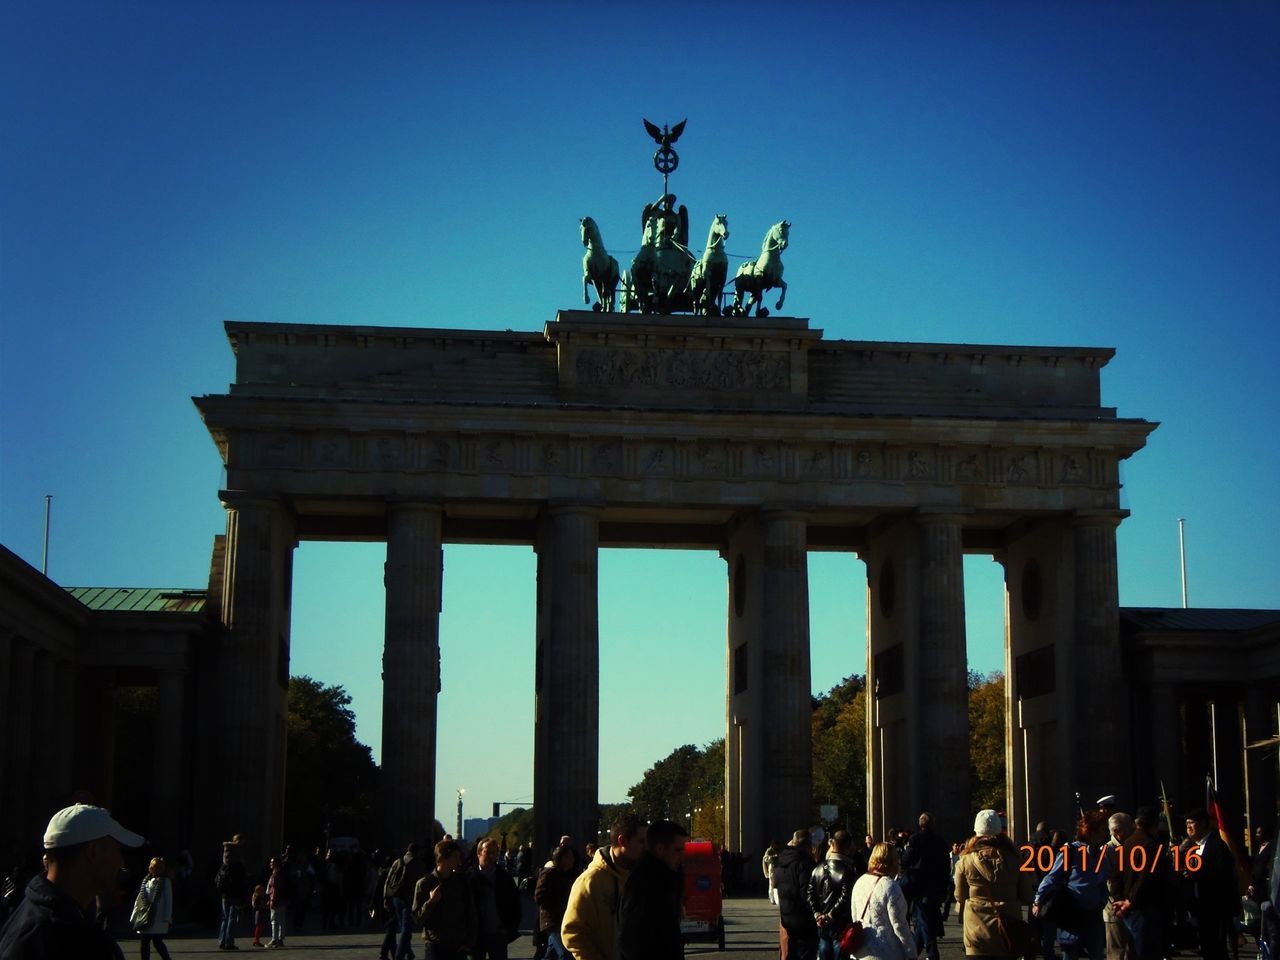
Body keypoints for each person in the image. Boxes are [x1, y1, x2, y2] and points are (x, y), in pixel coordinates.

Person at [0, 802, 145, 960]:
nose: (121, 863)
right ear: (93, 852)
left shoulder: (53, 921)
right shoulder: (49, 935)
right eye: (117, 851)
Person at [561, 812, 646, 960]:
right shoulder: (590, 881)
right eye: (641, 842)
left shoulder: (640, 876)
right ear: (623, 841)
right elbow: (572, 932)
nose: (646, 848)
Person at [956, 809, 1035, 959]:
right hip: (1007, 931)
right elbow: (1027, 896)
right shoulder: (1016, 859)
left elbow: (960, 896)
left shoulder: (965, 861)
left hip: (976, 933)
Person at [1034, 811, 1110, 960]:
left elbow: (1102, 882)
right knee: (1070, 955)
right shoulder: (1071, 851)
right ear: (1092, 831)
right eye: (1103, 830)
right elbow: (1052, 877)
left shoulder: (1101, 854)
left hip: (1093, 915)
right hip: (1072, 914)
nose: (1106, 833)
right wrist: (1038, 899)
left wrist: (1102, 900)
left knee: (1097, 955)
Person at [617, 820, 687, 960]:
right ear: (660, 849)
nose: (683, 855)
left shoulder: (669, 876)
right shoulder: (645, 882)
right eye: (678, 850)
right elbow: (630, 939)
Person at [1181, 808, 1239, 960]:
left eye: (1192, 823)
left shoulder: (1217, 846)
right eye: (1186, 824)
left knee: (1217, 949)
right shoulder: (1192, 847)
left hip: (1215, 906)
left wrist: (1196, 874)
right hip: (1199, 906)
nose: (1188, 827)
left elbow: (1224, 875)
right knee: (1206, 948)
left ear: (1204, 824)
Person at [849, 841, 914, 960]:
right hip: (885, 952)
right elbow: (899, 925)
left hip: (860, 950)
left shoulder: (859, 881)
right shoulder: (890, 886)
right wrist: (911, 952)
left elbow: (855, 916)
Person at [413, 839, 476, 960]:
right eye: (455, 857)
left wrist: (469, 942)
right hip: (436, 946)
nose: (459, 860)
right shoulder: (424, 884)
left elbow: (471, 913)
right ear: (442, 858)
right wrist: (431, 902)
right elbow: (417, 919)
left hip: (458, 946)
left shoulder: (461, 882)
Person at [901, 813, 949, 960]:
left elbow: (906, 860)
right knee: (927, 919)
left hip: (918, 886)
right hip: (935, 886)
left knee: (924, 920)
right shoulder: (940, 841)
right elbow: (946, 866)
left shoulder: (915, 839)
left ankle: (931, 953)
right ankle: (918, 952)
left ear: (920, 824)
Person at [807, 830, 860, 960]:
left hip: (821, 923)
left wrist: (817, 914)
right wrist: (831, 915)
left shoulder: (817, 869)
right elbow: (845, 897)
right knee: (839, 954)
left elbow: (810, 893)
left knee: (824, 952)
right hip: (840, 923)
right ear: (848, 846)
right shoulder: (848, 870)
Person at [468, 838, 520, 960]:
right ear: (479, 853)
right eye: (488, 852)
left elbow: (515, 904)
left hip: (498, 934)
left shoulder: (504, 878)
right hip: (476, 935)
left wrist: (510, 928)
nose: (492, 855)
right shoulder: (468, 877)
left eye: (495, 852)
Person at [774, 829, 818, 960]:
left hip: (787, 917)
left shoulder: (781, 862)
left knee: (790, 953)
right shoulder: (804, 864)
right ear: (807, 845)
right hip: (804, 920)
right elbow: (807, 894)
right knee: (805, 953)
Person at [387, 842, 431, 960]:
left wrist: (386, 898)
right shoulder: (418, 863)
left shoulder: (398, 861)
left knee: (402, 927)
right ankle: (399, 956)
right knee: (406, 930)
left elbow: (388, 880)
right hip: (409, 899)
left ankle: (408, 952)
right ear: (417, 851)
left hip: (396, 897)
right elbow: (426, 880)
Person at [535, 846, 577, 960]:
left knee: (551, 953)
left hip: (561, 919)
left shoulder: (565, 874)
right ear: (562, 859)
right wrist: (556, 904)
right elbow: (539, 896)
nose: (573, 859)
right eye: (569, 857)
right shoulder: (550, 873)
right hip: (552, 920)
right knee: (564, 953)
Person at [131, 856, 174, 960]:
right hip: (145, 916)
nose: (158, 870)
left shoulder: (165, 882)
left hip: (158, 919)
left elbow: (168, 901)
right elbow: (139, 900)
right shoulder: (146, 881)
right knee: (145, 942)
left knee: (157, 942)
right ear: (151, 868)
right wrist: (134, 915)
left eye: (160, 868)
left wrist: (167, 917)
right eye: (155, 867)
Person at [214, 841, 248, 950]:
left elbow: (216, 879)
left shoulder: (225, 864)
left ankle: (221, 940)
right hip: (235, 895)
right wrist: (243, 898)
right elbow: (242, 883)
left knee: (224, 918)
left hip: (225, 895)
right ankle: (229, 942)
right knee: (232, 919)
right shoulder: (238, 865)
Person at [250, 883, 269, 948]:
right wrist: (265, 905)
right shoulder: (258, 896)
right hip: (259, 913)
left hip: (258, 912)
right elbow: (256, 905)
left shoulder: (256, 896)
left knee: (259, 927)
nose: (263, 891)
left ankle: (256, 941)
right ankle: (256, 941)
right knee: (259, 927)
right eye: (262, 890)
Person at [763, 840, 781, 906]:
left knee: (775, 884)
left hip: (776, 868)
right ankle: (772, 899)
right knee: (772, 884)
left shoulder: (777, 850)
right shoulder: (769, 850)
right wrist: (774, 856)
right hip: (772, 868)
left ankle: (776, 900)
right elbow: (765, 858)